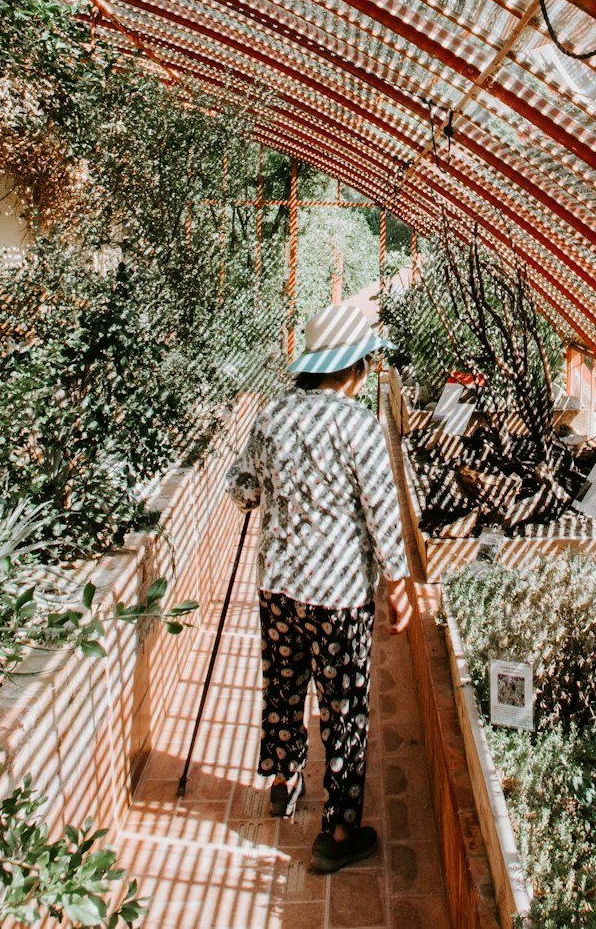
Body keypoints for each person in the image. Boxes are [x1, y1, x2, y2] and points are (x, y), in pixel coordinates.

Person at [226, 302, 411, 874]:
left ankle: (281, 782)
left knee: (283, 685)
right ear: (354, 369)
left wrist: (267, 496)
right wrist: (400, 583)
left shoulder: (273, 415)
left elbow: (241, 488)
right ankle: (337, 831)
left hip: (279, 587)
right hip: (340, 598)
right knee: (343, 708)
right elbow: (382, 509)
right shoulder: (359, 426)